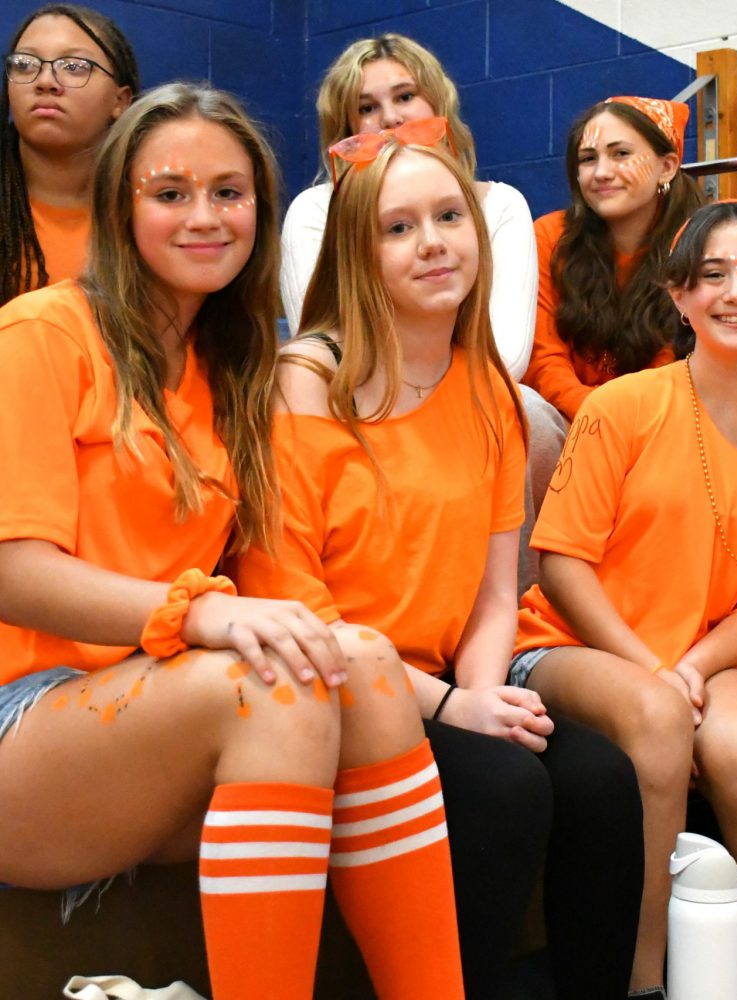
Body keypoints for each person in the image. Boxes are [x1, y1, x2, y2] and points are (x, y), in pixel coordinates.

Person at [0, 83, 464, 1000]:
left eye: (229, 192)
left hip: (149, 714)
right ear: (119, 206)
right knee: (273, 683)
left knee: (361, 662)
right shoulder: (40, 334)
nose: (204, 216)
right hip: (25, 719)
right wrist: (201, 610)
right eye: (169, 193)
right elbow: (14, 573)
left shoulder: (238, 364)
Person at [234, 119, 644, 999]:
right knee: (504, 789)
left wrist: (485, 693)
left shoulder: (491, 390)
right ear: (356, 253)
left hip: (450, 681)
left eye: (448, 217)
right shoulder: (304, 383)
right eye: (398, 227)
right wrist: (457, 710)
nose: (432, 244)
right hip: (331, 690)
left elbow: (500, 591)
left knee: (603, 782)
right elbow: (294, 605)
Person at [513, 199, 737, 998]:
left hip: (706, 651)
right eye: (713, 274)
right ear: (678, 293)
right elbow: (560, 564)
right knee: (658, 714)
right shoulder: (625, 404)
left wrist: (691, 663)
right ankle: (643, 982)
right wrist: (655, 668)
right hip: (570, 648)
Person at [279, 34, 559, 591]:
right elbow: (330, 347)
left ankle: (520, 611)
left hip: (470, 393)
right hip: (365, 393)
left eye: (405, 96)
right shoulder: (315, 210)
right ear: (344, 125)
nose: (387, 117)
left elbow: (505, 354)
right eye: (365, 106)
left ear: (438, 106)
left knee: (521, 408)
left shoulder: (498, 203)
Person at [525, 94, 704, 423]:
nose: (601, 172)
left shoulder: (701, 245)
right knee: (524, 405)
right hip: (568, 423)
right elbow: (542, 357)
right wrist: (595, 413)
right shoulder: (548, 236)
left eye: (620, 154)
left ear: (666, 167)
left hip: (658, 424)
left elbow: (677, 368)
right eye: (588, 159)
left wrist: (620, 421)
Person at [1, 3, 137, 305]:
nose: (45, 81)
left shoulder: (147, 214)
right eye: (25, 64)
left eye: (74, 67)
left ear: (120, 101)